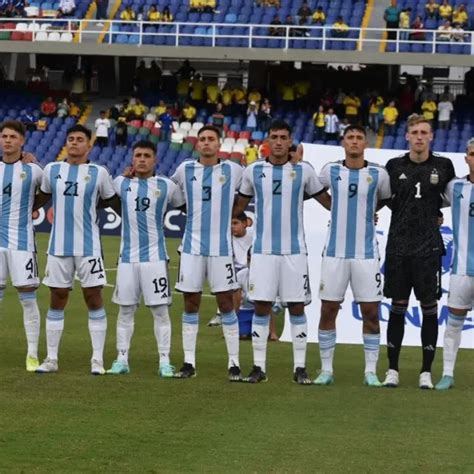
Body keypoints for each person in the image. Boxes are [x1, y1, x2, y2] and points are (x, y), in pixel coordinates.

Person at [232, 120, 331, 384]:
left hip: (294, 252)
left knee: (297, 307)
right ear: (267, 140)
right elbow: (237, 206)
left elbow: (329, 203)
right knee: (261, 306)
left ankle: (300, 368)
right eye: (274, 137)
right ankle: (258, 367)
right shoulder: (253, 171)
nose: (278, 142)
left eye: (283, 137)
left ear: (290, 142)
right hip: (263, 252)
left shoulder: (304, 172)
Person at [35, 125, 117, 374]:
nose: (74, 143)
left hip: (89, 247)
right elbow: (42, 196)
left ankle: (97, 360)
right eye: (70, 139)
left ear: (88, 145)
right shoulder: (52, 169)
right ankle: (51, 359)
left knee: (93, 297)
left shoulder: (99, 173)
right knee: (57, 297)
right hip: (58, 246)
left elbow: (111, 200)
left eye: (79, 139)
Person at [314, 126, 391, 387]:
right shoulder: (330, 170)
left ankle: (370, 372)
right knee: (328, 309)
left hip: (366, 254)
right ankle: (326, 370)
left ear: (365, 143)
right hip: (334, 253)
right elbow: (315, 190)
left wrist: (368, 210)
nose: (355, 142)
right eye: (350, 138)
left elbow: (385, 199)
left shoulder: (378, 174)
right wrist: (334, 207)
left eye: (359, 138)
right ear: (343, 142)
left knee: (370, 311)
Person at [383, 114, 455, 389]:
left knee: (429, 309)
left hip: (428, 248)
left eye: (425, 132)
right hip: (399, 247)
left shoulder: (444, 166)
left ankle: (426, 372)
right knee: (397, 307)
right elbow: (386, 199)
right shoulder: (394, 166)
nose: (420, 137)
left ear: (431, 136)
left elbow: (452, 196)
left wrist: (435, 214)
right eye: (415, 132)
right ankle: (392, 369)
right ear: (407, 136)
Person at [170, 125, 243, 381]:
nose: (206, 143)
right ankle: (189, 362)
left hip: (221, 249)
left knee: (225, 303)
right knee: (190, 302)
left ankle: (234, 362)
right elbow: (170, 194)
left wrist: (232, 214)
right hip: (191, 247)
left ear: (219, 143)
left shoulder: (233, 170)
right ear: (197, 144)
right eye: (202, 139)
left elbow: (248, 193)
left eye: (211, 139)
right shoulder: (185, 169)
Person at [107, 140, 183, 376]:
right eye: (137, 155)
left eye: (146, 155)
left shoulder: (167, 186)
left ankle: (164, 361)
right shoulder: (120, 183)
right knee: (125, 310)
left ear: (155, 159)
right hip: (127, 259)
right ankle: (121, 359)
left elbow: (185, 206)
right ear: (132, 159)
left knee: (160, 311)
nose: (141, 159)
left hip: (155, 259)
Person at [0, 121, 43, 372]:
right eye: (4, 136)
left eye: (12, 137)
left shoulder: (33, 170)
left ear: (22, 141)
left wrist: (32, 205)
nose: (7, 140)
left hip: (22, 242)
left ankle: (32, 354)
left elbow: (49, 190)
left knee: (27, 298)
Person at [435, 139, 474, 390]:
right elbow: (427, 201)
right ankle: (447, 374)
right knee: (454, 321)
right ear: (466, 158)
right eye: (473, 153)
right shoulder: (455, 187)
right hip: (461, 268)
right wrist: (435, 216)